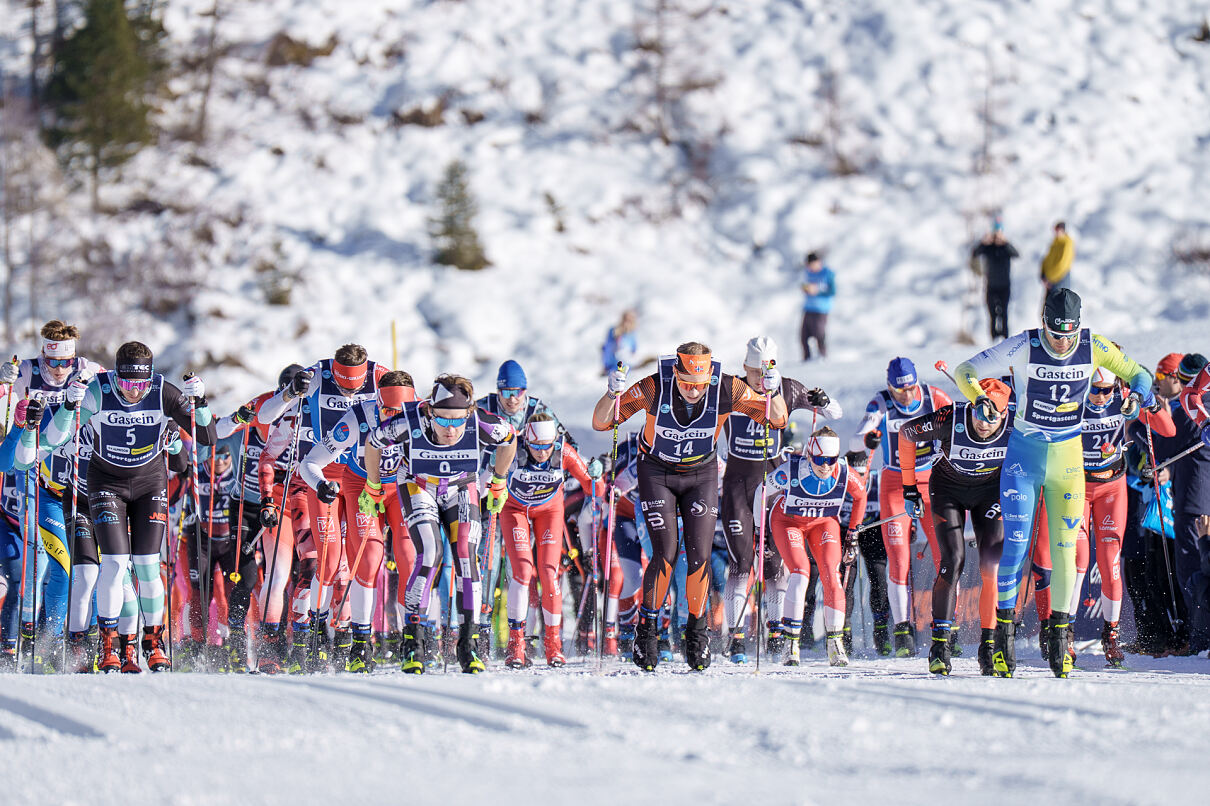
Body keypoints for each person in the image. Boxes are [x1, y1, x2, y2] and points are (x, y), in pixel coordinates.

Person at [952, 288, 1153, 678]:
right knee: (1016, 546)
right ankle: (1002, 639)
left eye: (1069, 335)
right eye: (1055, 334)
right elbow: (964, 371)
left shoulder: (1094, 345)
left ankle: (1061, 639)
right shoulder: (1023, 344)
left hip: (1068, 461)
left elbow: (1141, 374)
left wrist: (1136, 397)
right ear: (1043, 323)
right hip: (1024, 457)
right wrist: (979, 398)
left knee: (1067, 553)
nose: (1062, 343)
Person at [591, 341, 787, 671]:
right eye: (685, 384)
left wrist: (774, 389)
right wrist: (612, 395)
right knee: (665, 552)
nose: (692, 391)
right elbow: (602, 422)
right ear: (676, 374)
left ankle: (696, 634)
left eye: (698, 385)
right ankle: (647, 630)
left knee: (699, 555)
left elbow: (777, 418)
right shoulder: (656, 385)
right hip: (657, 471)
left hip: (701, 473)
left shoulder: (727, 387)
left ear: (709, 376)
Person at [41, 341, 217, 672]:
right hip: (106, 482)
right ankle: (109, 645)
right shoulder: (98, 390)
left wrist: (201, 402)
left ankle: (153, 643)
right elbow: (52, 439)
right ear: (115, 377)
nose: (133, 392)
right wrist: (68, 405)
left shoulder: (164, 392)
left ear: (150, 378)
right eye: (126, 384)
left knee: (149, 566)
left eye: (140, 384)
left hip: (149, 483)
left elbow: (208, 436)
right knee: (115, 564)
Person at [363, 374, 517, 674]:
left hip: (461, 487)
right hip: (418, 485)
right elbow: (373, 442)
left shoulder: (481, 422)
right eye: (443, 420)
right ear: (430, 412)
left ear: (468, 414)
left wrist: (499, 479)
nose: (450, 429)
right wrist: (372, 484)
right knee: (430, 553)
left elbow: (509, 439)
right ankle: (413, 642)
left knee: (465, 555)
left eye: (457, 421)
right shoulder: (409, 421)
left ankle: (468, 642)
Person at [258, 344, 386, 669]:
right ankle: (308, 637)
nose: (346, 392)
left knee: (353, 565)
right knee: (323, 562)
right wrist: (290, 391)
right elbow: (264, 416)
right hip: (320, 474)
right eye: (341, 387)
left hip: (359, 477)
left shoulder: (379, 375)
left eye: (353, 389)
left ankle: (348, 639)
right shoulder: (318, 373)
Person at [720, 336, 840, 663]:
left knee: (776, 563)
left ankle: (777, 632)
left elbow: (835, 415)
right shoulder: (730, 388)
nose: (760, 377)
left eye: (766, 369)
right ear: (744, 367)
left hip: (773, 482)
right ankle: (737, 637)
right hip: (738, 483)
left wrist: (824, 401)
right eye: (754, 370)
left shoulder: (786, 388)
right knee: (742, 562)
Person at [297, 370, 416, 672]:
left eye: (401, 411)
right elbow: (309, 462)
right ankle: (354, 644)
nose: (394, 418)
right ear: (377, 404)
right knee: (368, 557)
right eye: (388, 411)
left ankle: (415, 638)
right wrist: (322, 484)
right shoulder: (357, 417)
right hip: (361, 487)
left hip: (401, 488)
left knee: (409, 557)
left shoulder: (421, 415)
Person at [0, 320, 104, 663]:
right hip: (35, 478)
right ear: (42, 355)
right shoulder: (27, 372)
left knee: (72, 566)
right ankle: (26, 639)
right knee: (46, 561)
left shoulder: (88, 370)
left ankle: (52, 639)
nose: (58, 371)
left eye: (65, 363)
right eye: (52, 363)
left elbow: (122, 393)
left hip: (75, 479)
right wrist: (3, 384)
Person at [898, 379, 1013, 675]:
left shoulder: (1016, 424)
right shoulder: (951, 417)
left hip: (990, 492)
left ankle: (988, 647)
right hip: (947, 489)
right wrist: (910, 488)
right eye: (978, 413)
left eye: (991, 416)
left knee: (992, 566)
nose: (983, 422)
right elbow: (907, 433)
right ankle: (940, 646)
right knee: (953, 560)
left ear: (1004, 413)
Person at [850, 357, 952, 656]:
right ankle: (903, 630)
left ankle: (948, 628)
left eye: (909, 389)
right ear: (889, 386)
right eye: (899, 390)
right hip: (895, 485)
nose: (905, 396)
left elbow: (961, 423)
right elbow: (859, 439)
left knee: (944, 555)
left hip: (932, 483)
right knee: (898, 559)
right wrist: (868, 438)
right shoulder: (880, 403)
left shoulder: (935, 397)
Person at [500, 412, 599, 667]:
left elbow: (592, 487)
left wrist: (598, 477)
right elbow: (490, 479)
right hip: (515, 511)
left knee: (549, 573)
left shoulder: (563, 452)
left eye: (547, 446)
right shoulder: (514, 449)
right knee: (522, 570)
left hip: (549, 512)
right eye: (536, 447)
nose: (542, 452)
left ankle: (553, 646)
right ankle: (516, 645)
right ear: (526, 441)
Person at [762, 428, 866, 666]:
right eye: (820, 460)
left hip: (823, 523)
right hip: (788, 522)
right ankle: (791, 643)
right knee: (800, 573)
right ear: (810, 455)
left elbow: (861, 496)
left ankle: (835, 643)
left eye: (831, 460)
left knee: (832, 575)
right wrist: (760, 532)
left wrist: (853, 533)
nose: (826, 466)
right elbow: (762, 491)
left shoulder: (843, 472)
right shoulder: (791, 470)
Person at [1173, 353, 1210, 651]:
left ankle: (1198, 637)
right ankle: (1200, 637)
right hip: (1197, 492)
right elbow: (1190, 394)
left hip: (1196, 494)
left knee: (1192, 563)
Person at [971, 218, 1019, 340]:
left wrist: (1005, 242)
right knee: (992, 314)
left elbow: (1016, 254)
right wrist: (983, 242)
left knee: (1004, 314)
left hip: (1004, 286)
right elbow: (975, 253)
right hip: (991, 286)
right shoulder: (988, 248)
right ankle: (993, 338)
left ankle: (1005, 338)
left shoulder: (1005, 248)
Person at [799, 252, 835, 361]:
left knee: (819, 334)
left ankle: (822, 357)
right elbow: (803, 284)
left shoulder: (827, 274)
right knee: (803, 336)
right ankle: (807, 358)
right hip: (808, 308)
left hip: (821, 310)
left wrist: (817, 292)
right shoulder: (808, 273)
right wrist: (805, 289)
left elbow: (832, 291)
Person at [1040, 221, 1075, 292]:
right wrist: (1043, 274)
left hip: (1059, 280)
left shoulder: (1067, 244)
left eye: (1057, 230)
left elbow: (1062, 265)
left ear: (1062, 230)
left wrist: (1050, 279)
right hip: (1050, 281)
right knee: (1048, 302)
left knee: (1058, 301)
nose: (1055, 232)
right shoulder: (1055, 242)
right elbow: (1047, 259)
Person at [601, 309, 639, 376]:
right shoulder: (613, 331)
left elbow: (633, 351)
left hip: (627, 368)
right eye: (625, 319)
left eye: (629, 320)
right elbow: (607, 348)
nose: (626, 322)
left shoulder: (632, 335)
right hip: (612, 367)